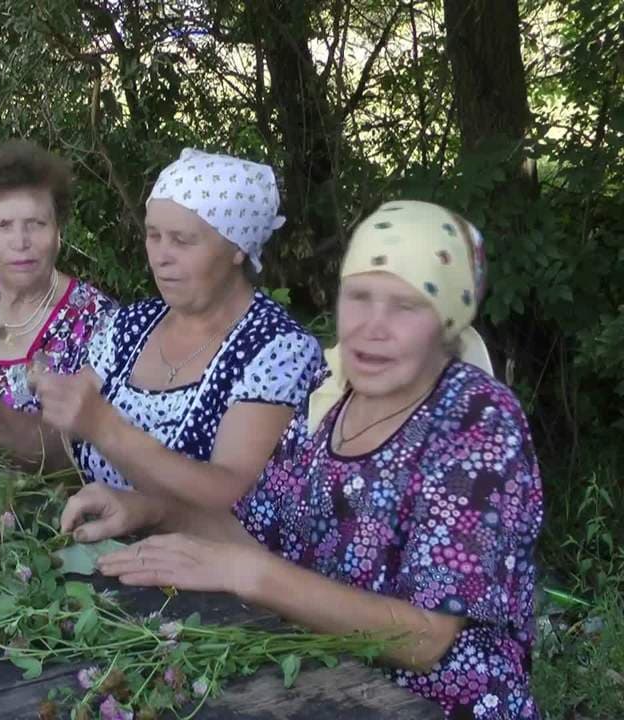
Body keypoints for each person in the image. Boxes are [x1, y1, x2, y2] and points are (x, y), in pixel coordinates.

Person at [63, 201, 543, 719]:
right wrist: (149, 509)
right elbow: (251, 536)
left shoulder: (475, 419)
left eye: (405, 307)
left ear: (447, 318)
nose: (372, 327)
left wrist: (251, 575)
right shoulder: (329, 397)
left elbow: (426, 638)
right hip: (316, 684)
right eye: (359, 297)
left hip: (434, 705)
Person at [0, 148, 322, 510]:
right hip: (103, 552)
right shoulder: (131, 327)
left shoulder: (276, 349)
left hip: (196, 564)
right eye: (154, 236)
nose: (161, 256)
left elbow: (231, 496)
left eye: (182, 240)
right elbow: (59, 454)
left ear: (237, 248)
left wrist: (105, 427)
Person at [0, 139, 116, 412]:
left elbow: (92, 447)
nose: (20, 242)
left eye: (36, 224)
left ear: (58, 234)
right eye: (3, 225)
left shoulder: (98, 323)